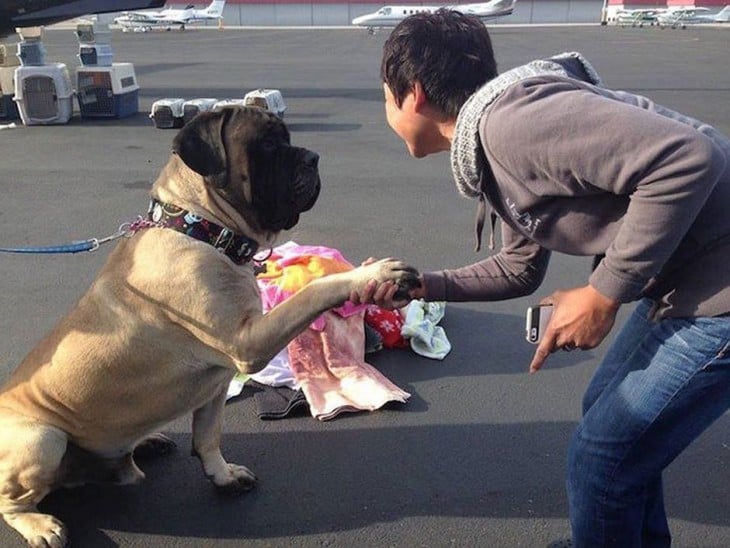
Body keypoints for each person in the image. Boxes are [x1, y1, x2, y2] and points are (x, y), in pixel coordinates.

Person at [352, 9, 730, 548]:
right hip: (687, 284)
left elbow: (688, 158)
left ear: (412, 94)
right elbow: (518, 268)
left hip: (719, 292)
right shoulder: (491, 143)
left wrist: (604, 292)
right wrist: (421, 284)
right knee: (607, 423)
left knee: (604, 459)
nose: (387, 110)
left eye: (384, 97)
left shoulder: (514, 125)